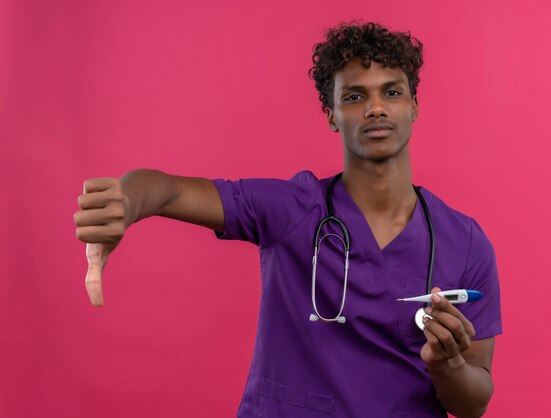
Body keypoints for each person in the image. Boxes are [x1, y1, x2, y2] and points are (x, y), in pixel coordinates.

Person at [74, 22, 502, 418]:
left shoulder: (463, 241)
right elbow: (170, 188)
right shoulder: (293, 210)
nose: (375, 108)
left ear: (413, 105)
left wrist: (447, 365)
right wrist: (126, 201)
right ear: (332, 115)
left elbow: (474, 401)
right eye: (354, 96)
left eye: (391, 92)